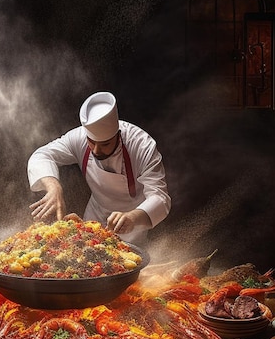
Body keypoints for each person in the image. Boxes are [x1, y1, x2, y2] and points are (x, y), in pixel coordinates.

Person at [27, 91, 171, 248]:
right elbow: (42, 155)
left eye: (105, 144)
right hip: (94, 216)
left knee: (126, 264)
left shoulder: (142, 145)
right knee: (85, 257)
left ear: (118, 134)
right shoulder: (78, 137)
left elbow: (160, 198)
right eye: (91, 142)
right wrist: (54, 187)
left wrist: (132, 217)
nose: (96, 150)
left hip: (131, 222)